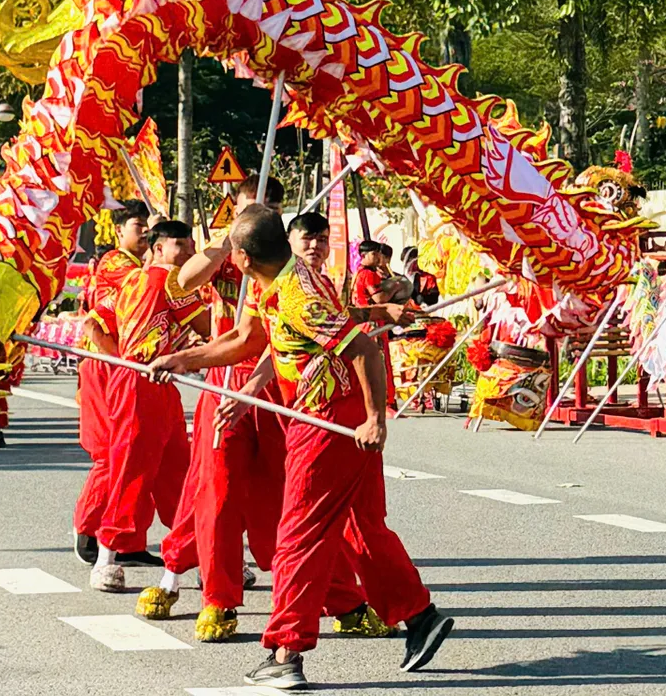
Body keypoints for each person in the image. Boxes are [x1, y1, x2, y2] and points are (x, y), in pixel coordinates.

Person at [156, 208, 450, 689]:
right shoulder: (275, 284)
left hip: (333, 418)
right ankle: (420, 616)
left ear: (244, 257)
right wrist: (180, 360)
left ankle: (286, 652)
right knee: (362, 528)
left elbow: (364, 350)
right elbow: (245, 340)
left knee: (296, 536)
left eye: (231, 248)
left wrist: (376, 419)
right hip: (326, 414)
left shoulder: (299, 294)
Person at [136, 177, 286, 641]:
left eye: (270, 205)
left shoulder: (289, 263)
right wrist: (227, 243)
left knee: (287, 494)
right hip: (225, 384)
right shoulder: (228, 258)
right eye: (251, 204)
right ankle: (216, 596)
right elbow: (185, 279)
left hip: (277, 388)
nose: (262, 209)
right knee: (214, 492)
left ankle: (321, 590)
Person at [90, 219, 210, 592]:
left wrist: (121, 358)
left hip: (155, 383)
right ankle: (106, 558)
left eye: (191, 245)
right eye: (180, 245)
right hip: (141, 385)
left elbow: (94, 324)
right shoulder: (174, 281)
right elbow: (211, 330)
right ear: (158, 249)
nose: (189, 252)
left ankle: (202, 553)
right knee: (132, 469)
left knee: (180, 472)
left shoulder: (129, 280)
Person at [72, 200, 153, 566]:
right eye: (139, 226)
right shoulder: (117, 264)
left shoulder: (145, 267)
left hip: (132, 365)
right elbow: (143, 287)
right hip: (107, 362)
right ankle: (88, 528)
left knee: (144, 455)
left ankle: (130, 539)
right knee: (110, 453)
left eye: (150, 227)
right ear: (119, 231)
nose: (146, 232)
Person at [351, 240, 397, 409]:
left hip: (361, 323)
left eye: (379, 253)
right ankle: (385, 403)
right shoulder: (369, 274)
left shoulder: (357, 273)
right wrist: (394, 288)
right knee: (379, 362)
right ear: (364, 255)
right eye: (374, 253)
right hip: (373, 323)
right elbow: (379, 299)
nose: (378, 257)